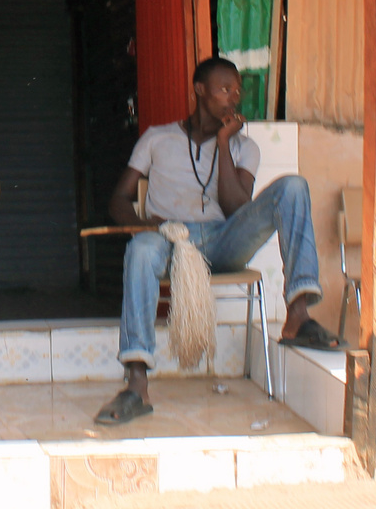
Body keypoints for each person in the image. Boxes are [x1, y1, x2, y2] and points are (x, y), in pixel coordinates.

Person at [94, 57, 343, 426]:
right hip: (170, 242)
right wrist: (145, 225)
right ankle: (136, 384)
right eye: (225, 89)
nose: (234, 98)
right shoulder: (156, 138)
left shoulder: (245, 147)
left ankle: (298, 315)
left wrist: (224, 144)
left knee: (293, 186)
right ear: (199, 90)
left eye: (237, 91)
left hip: (224, 242)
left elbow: (236, 206)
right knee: (140, 250)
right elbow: (118, 199)